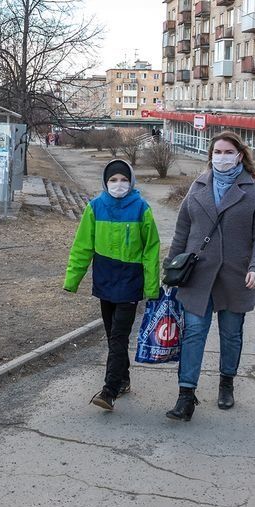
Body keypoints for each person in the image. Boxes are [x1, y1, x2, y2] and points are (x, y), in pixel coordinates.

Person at [164, 131, 255, 421]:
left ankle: (227, 383)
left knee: (231, 334)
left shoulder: (253, 191)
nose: (221, 157)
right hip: (198, 277)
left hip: (236, 277)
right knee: (194, 334)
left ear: (239, 155)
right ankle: (186, 395)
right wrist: (170, 269)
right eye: (217, 152)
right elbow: (182, 232)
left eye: (228, 152)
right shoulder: (198, 187)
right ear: (210, 155)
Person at [64, 159, 160, 411]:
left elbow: (151, 251)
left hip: (130, 282)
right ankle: (124, 378)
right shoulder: (95, 208)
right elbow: (82, 246)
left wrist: (151, 287)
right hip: (105, 281)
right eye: (113, 180)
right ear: (105, 183)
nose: (119, 184)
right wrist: (72, 279)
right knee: (112, 336)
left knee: (119, 336)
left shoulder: (142, 208)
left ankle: (109, 391)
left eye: (123, 179)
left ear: (131, 181)